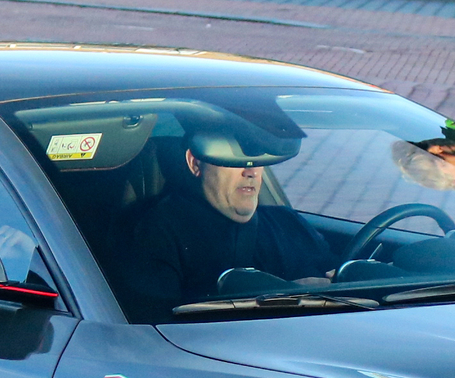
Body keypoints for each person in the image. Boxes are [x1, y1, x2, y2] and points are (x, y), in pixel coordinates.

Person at [110, 130, 337, 321]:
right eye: (234, 159)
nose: (251, 171)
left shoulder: (289, 222)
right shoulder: (154, 233)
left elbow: (342, 285)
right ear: (195, 163)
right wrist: (288, 295)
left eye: (258, 159)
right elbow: (159, 326)